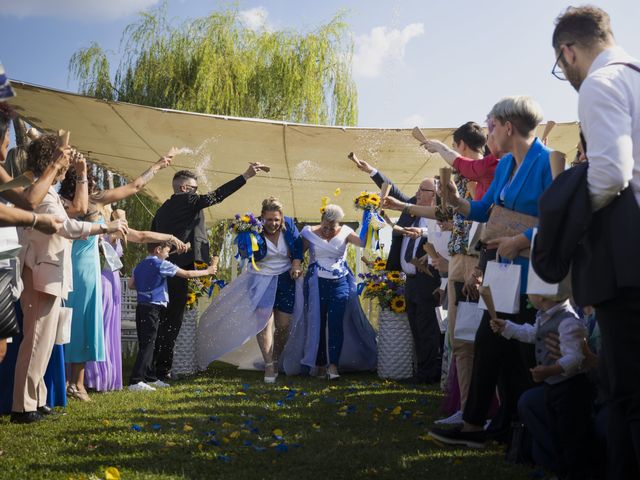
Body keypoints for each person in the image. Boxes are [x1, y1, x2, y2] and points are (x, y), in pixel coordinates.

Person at [428, 95, 552, 447]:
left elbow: (560, 221)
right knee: (493, 344)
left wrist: (521, 240)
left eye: (491, 125)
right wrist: (455, 201)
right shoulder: (506, 165)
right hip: (501, 271)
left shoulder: (547, 162)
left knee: (521, 352)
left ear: (508, 126)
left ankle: (516, 429)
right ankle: (490, 426)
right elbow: (483, 210)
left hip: (532, 274)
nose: (488, 133)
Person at [551, 6, 640, 478]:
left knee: (628, 393)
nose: (564, 73)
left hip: (626, 257)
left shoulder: (599, 85)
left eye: (560, 64)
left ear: (569, 51)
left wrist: (567, 220)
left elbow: (609, 172)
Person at [11, 134, 128, 423]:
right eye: (62, 158)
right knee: (36, 339)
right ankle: (22, 406)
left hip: (52, 272)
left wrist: (81, 174)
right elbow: (66, 227)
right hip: (40, 272)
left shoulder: (48, 191)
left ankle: (36, 400)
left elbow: (72, 213)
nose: (67, 163)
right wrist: (103, 228)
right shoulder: (39, 190)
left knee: (46, 341)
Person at [59, 149, 184, 401]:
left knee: (74, 322)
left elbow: (136, 196)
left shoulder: (73, 202)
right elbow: (135, 186)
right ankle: (76, 384)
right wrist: (159, 165)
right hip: (84, 267)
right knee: (81, 322)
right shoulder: (85, 202)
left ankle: (73, 382)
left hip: (77, 264)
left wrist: (159, 166)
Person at [151, 163, 266, 382]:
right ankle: (161, 370)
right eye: (194, 188)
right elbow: (217, 196)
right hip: (178, 268)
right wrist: (246, 175)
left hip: (160, 267)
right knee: (172, 321)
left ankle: (152, 366)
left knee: (161, 320)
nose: (197, 192)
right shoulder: (189, 200)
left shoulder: (163, 208)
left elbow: (152, 236)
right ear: (185, 189)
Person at [351, 157, 443, 384]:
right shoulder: (412, 208)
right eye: (419, 189)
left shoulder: (441, 215)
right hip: (409, 280)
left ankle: (429, 374)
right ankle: (422, 370)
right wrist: (372, 171)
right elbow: (394, 191)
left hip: (428, 279)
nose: (418, 193)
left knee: (427, 328)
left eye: (423, 190)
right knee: (416, 328)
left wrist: (423, 235)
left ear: (435, 194)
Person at [488, 288, 593, 480]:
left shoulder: (568, 321)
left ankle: (575, 473)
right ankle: (562, 471)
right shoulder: (545, 316)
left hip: (570, 389)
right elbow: (531, 333)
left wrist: (551, 370)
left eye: (530, 291)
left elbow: (576, 357)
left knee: (571, 436)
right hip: (554, 387)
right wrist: (507, 328)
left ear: (542, 296)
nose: (527, 295)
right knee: (557, 433)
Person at [196, 197, 303, 383]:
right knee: (263, 322)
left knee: (284, 325)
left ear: (282, 218)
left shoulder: (290, 225)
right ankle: (269, 364)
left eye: (277, 219)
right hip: (260, 279)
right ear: (262, 217)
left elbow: (298, 247)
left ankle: (276, 358)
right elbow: (246, 254)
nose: (273, 223)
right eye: (269, 219)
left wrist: (295, 263)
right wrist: (246, 235)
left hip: (285, 279)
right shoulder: (253, 228)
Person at [282, 204, 377, 379]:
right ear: (321, 220)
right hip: (315, 283)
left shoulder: (346, 232)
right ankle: (318, 364)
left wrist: (368, 217)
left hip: (339, 283)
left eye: (331, 227)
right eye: (325, 226)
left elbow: (362, 242)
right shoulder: (308, 232)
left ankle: (333, 365)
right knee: (316, 323)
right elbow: (297, 253)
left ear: (338, 224)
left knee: (335, 323)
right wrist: (295, 264)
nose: (327, 231)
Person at [127, 241, 216, 392]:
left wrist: (147, 286)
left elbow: (131, 285)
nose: (168, 255)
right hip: (153, 308)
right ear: (157, 250)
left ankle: (150, 377)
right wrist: (207, 271)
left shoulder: (139, 265)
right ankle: (136, 380)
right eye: (167, 251)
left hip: (142, 307)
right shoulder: (162, 264)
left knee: (149, 342)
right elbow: (187, 274)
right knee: (148, 344)